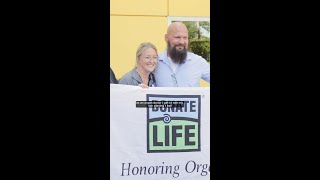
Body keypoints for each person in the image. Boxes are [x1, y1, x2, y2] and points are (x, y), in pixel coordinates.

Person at [153, 22, 210, 87]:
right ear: (166, 38)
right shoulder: (155, 62)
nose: (182, 42)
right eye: (177, 37)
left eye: (185, 38)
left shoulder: (198, 62)